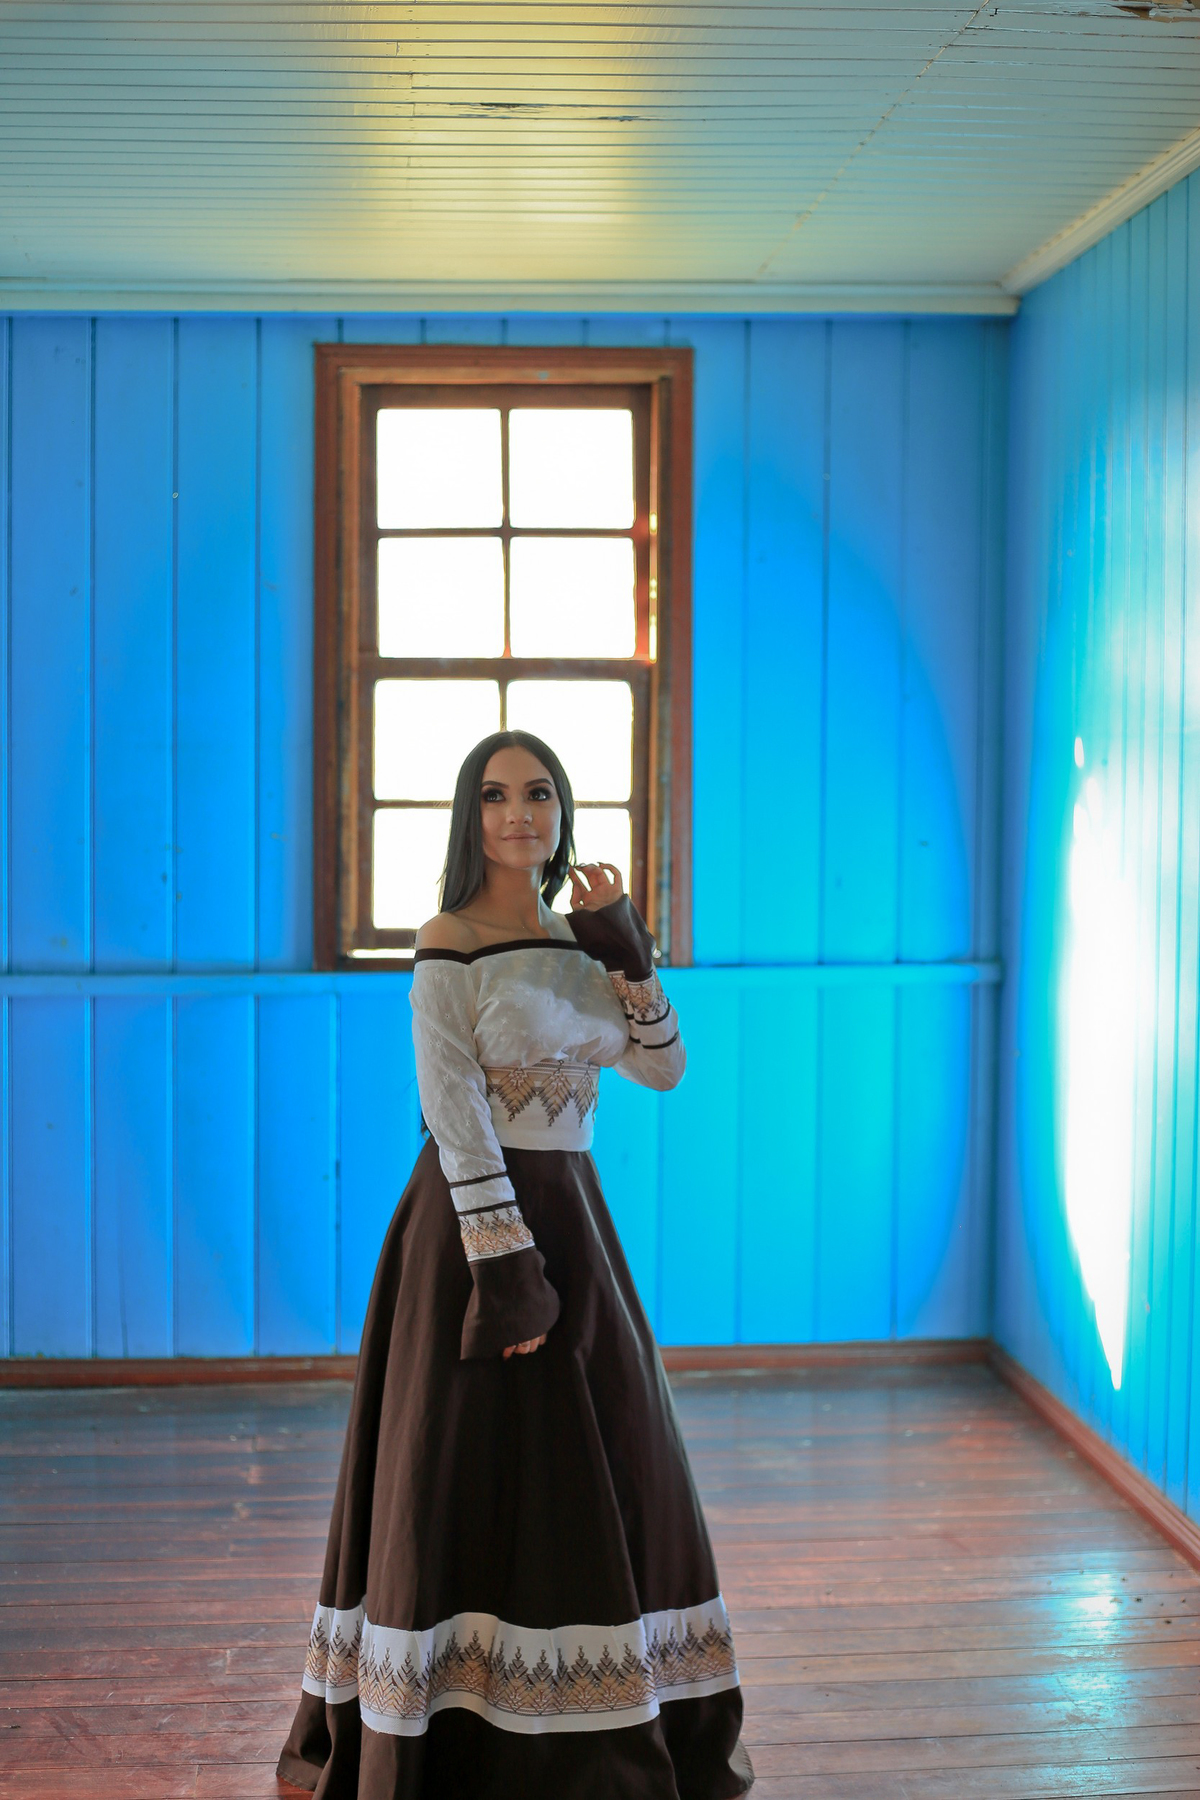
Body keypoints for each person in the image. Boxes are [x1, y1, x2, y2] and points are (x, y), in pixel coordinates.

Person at [277, 729, 754, 1800]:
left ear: (562, 812)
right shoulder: (447, 939)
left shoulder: (585, 942)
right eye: (494, 797)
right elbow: (452, 1107)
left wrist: (627, 952)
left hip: (577, 1220)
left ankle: (601, 1727)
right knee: (461, 1468)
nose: (518, 814)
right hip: (469, 1230)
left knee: (618, 1453)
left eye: (539, 794)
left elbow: (665, 1069)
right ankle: (455, 1729)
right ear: (470, 816)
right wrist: (506, 1268)